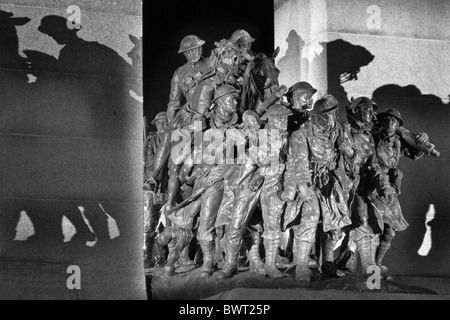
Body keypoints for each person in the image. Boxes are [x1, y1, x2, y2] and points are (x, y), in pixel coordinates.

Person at [281, 94, 352, 282]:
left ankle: (328, 263)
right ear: (317, 116)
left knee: (336, 219)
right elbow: (300, 163)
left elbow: (351, 157)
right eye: (326, 115)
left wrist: (348, 151)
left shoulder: (338, 130)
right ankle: (302, 264)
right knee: (311, 215)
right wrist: (304, 186)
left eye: (334, 114)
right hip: (305, 178)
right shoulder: (301, 134)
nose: (331, 119)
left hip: (329, 178)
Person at [369, 108, 428, 277]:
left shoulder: (398, 141)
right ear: (380, 122)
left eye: (393, 122)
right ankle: (367, 266)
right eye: (386, 120)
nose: (389, 124)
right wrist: (382, 184)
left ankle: (377, 265)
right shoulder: (372, 139)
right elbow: (371, 164)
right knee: (371, 229)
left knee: (389, 233)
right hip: (372, 186)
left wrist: (422, 141)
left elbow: (414, 154)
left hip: (390, 191)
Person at [259, 104, 292, 279]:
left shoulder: (284, 136)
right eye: (281, 119)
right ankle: (270, 266)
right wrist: (278, 167)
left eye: (286, 118)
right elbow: (259, 163)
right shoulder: (264, 138)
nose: (285, 122)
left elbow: (289, 158)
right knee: (270, 225)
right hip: (266, 187)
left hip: (281, 184)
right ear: (272, 120)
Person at [143, 112, 169, 268]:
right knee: (152, 221)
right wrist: (152, 180)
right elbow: (148, 163)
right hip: (157, 185)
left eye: (165, 122)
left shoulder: (176, 138)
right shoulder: (152, 141)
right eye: (160, 123)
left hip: (172, 182)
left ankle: (166, 257)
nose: (163, 125)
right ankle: (148, 256)